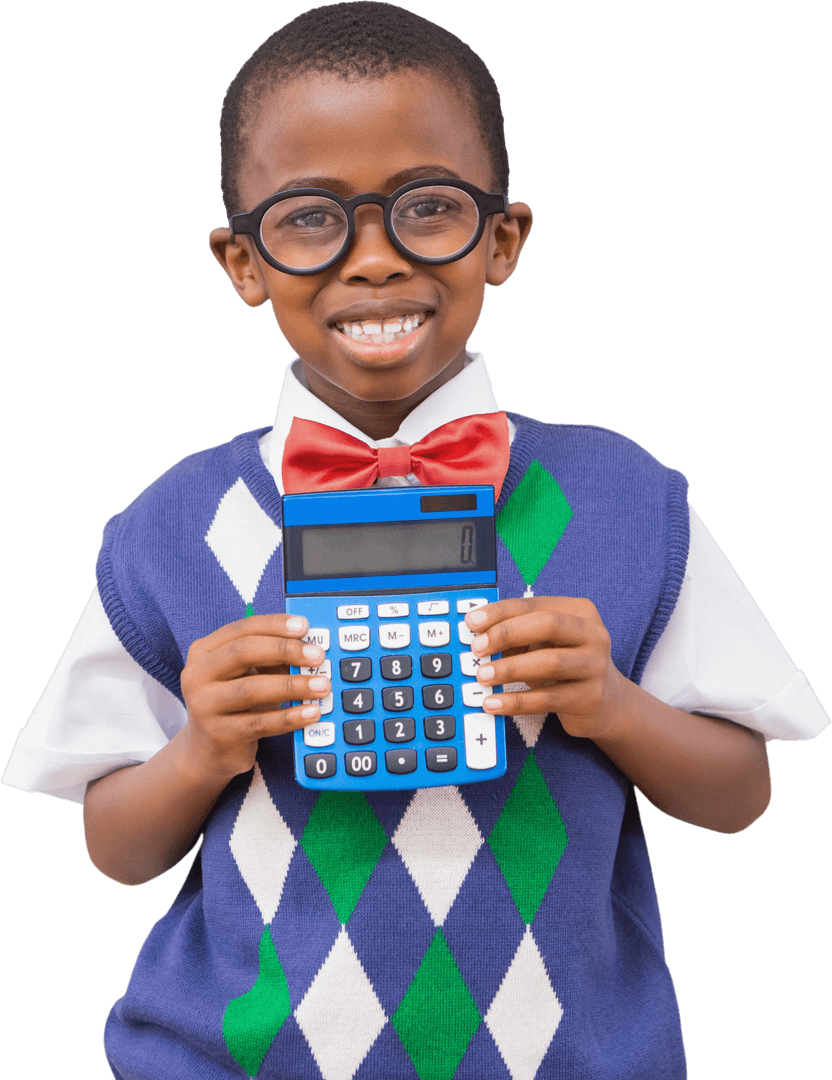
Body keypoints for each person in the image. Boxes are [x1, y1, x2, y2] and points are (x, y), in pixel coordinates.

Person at [2, 4, 828, 1078]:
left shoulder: (626, 498)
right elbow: (116, 848)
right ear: (242, 262)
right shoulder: (170, 525)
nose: (376, 259)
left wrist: (610, 705)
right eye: (310, 218)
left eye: (426, 208)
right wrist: (201, 748)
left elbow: (740, 795)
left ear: (502, 240)